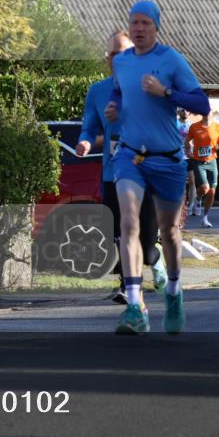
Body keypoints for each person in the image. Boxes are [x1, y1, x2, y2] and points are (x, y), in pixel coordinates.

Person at [104, 0, 210, 334]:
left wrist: (165, 91)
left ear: (156, 27)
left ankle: (175, 291)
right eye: (133, 23)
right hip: (131, 155)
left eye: (145, 23)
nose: (138, 29)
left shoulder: (171, 60)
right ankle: (135, 306)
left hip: (168, 159)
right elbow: (121, 93)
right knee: (129, 221)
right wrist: (114, 107)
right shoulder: (120, 61)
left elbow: (201, 102)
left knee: (169, 232)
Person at [76, 31, 167, 306]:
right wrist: (85, 142)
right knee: (122, 236)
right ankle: (132, 292)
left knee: (147, 246)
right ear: (108, 59)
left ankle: (156, 258)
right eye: (114, 53)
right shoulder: (98, 91)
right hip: (113, 175)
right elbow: (89, 128)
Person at [186, 110, 219, 228]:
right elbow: (187, 141)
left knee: (212, 191)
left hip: (212, 161)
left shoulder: (217, 127)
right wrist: (188, 151)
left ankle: (205, 218)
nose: (206, 113)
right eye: (204, 111)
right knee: (204, 188)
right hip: (198, 161)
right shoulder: (194, 127)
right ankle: (198, 198)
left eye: (209, 111)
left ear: (213, 114)